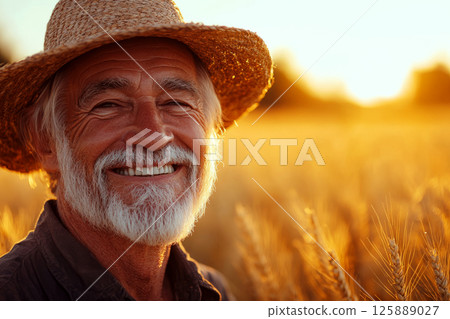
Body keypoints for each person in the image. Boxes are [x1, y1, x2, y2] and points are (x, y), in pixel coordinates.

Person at [0, 0, 272, 300]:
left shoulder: (215, 292)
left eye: (177, 103)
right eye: (108, 105)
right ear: (46, 142)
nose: (153, 133)